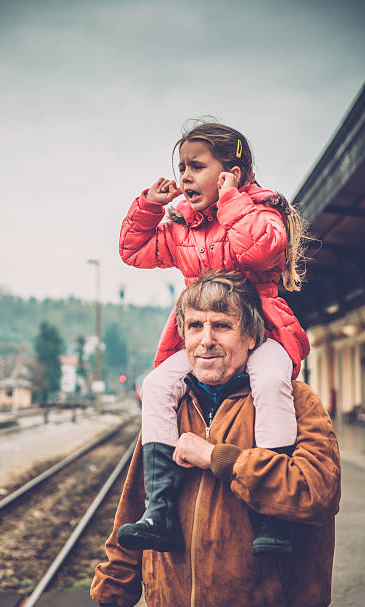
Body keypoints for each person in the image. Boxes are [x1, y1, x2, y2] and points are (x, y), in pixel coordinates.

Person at [90, 271, 341, 607]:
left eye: (222, 326)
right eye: (195, 326)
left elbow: (317, 493)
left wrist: (217, 458)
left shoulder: (297, 402)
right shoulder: (169, 409)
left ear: (252, 335)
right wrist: (111, 596)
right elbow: (135, 505)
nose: (205, 340)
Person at [117, 121, 310, 555]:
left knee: (271, 381)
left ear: (231, 173)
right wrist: (149, 205)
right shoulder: (180, 227)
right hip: (202, 339)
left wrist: (231, 203)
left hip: (261, 332)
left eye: (196, 166)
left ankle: (272, 517)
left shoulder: (260, 212)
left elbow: (260, 250)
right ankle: (160, 513)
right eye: (181, 167)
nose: (184, 176)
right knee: (157, 385)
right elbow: (133, 252)